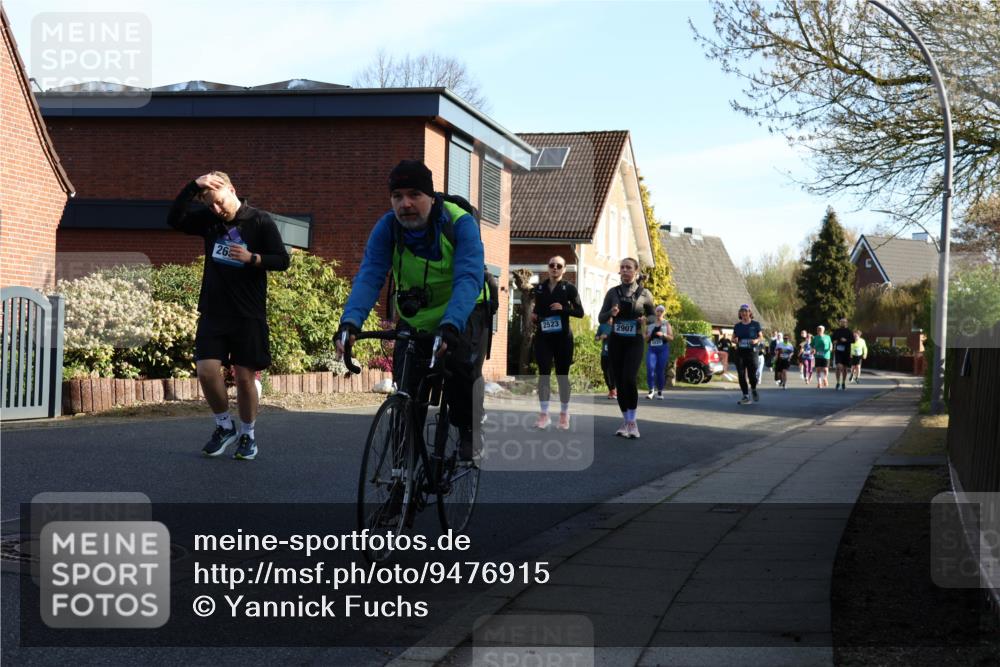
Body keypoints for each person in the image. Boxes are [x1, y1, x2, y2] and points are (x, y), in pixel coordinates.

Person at [336, 160, 489, 462]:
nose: (405, 203)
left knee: (461, 369)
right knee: (406, 393)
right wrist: (351, 321)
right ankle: (400, 477)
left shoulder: (459, 223)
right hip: (417, 316)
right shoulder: (388, 228)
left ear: (431, 197)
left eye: (414, 194)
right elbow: (370, 275)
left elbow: (469, 278)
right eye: (397, 196)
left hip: (464, 308)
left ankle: (469, 429)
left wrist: (451, 325)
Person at [167, 171, 290, 461]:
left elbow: (282, 260)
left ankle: (248, 434)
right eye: (210, 205)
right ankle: (225, 426)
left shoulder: (260, 221)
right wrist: (192, 186)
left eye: (220, 202)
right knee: (206, 371)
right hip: (214, 311)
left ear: (232, 190)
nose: (217, 210)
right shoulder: (210, 222)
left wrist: (253, 259)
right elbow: (174, 219)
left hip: (248, 314)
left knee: (245, 379)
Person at [599, 258, 655, 438]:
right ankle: (626, 420)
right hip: (616, 341)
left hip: (634, 340)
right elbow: (601, 317)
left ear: (636, 271)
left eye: (628, 268)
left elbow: (654, 317)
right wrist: (611, 313)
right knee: (619, 381)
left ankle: (633, 421)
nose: (624, 271)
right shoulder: (612, 293)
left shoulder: (645, 293)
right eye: (622, 267)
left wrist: (646, 321)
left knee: (629, 378)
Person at [530, 256, 584, 429]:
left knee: (562, 376)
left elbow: (580, 312)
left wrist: (564, 309)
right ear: (548, 267)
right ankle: (544, 415)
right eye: (552, 265)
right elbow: (537, 310)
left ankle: (564, 413)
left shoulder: (569, 288)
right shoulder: (539, 288)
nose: (555, 268)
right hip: (544, 337)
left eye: (558, 266)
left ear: (564, 269)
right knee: (544, 373)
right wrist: (534, 316)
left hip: (563, 338)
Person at [732, 305, 763, 404]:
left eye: (746, 311)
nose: (744, 313)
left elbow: (761, 337)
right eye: (742, 311)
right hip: (740, 352)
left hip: (752, 352)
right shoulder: (737, 326)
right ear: (740, 313)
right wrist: (735, 340)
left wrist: (756, 340)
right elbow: (733, 338)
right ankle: (745, 395)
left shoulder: (755, 324)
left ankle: (753, 389)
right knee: (741, 375)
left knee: (752, 375)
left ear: (750, 312)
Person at [645, 305, 673, 400]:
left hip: (663, 349)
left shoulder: (666, 323)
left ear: (664, 313)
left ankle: (660, 391)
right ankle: (651, 390)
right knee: (650, 368)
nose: (659, 313)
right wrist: (649, 336)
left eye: (661, 311)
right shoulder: (650, 324)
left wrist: (663, 334)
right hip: (652, 349)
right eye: (657, 311)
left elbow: (671, 338)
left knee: (660, 370)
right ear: (655, 312)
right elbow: (645, 339)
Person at [831, 317, 854, 390]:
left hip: (846, 352)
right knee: (838, 367)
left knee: (845, 368)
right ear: (839, 323)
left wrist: (846, 340)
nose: (842, 323)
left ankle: (843, 383)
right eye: (841, 322)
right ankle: (838, 382)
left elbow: (853, 341)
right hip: (838, 352)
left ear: (846, 323)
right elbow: (832, 339)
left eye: (844, 322)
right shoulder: (837, 331)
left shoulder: (849, 331)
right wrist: (834, 342)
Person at [596, 322, 616, 399]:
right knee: (605, 372)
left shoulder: (617, 324)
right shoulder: (602, 326)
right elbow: (596, 338)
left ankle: (614, 390)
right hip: (605, 354)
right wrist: (601, 337)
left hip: (614, 353)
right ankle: (611, 389)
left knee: (612, 371)